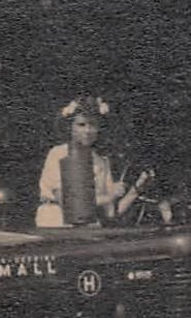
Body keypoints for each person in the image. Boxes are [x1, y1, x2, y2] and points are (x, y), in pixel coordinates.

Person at [35, 97, 148, 228]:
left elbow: (111, 213)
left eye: (93, 125)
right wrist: (110, 196)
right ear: (70, 128)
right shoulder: (58, 154)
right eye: (81, 125)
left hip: (90, 226)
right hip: (56, 221)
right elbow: (68, 201)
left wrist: (135, 190)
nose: (87, 131)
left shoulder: (101, 162)